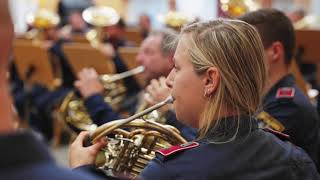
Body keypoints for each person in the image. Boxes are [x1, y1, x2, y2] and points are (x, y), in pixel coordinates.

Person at [138, 19, 319, 179]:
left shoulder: (169, 171)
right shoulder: (297, 161)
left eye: (176, 68)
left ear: (210, 80)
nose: (169, 80)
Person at [0, 1, 103, 179]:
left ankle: (44, 133)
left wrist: (55, 49)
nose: (46, 33)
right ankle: (37, 130)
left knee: (41, 101)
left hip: (66, 87)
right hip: (46, 86)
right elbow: (23, 73)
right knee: (27, 97)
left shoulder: (64, 44)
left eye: (49, 29)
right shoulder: (36, 44)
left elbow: (69, 71)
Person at [75, 29, 196, 141]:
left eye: (148, 52)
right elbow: (132, 131)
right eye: (140, 52)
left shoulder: (184, 96)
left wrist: (94, 98)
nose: (138, 59)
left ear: (171, 59)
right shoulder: (148, 90)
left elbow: (130, 135)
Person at [239, 9, 320, 168]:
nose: (237, 57)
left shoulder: (288, 105)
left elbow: (242, 153)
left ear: (274, 51)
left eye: (245, 49)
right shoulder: (267, 96)